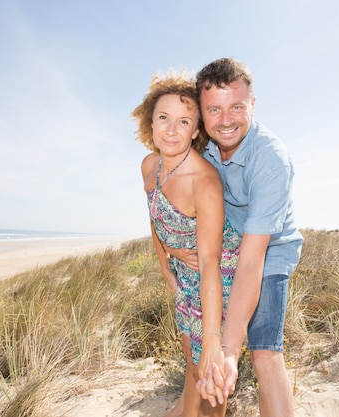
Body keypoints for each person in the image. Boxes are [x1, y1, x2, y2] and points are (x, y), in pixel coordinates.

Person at [165, 58, 303, 416]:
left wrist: (228, 349)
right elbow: (161, 194)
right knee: (197, 350)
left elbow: (253, 258)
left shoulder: (271, 160)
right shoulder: (201, 147)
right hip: (221, 251)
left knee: (264, 352)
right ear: (201, 113)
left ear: (252, 105)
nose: (225, 121)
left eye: (237, 107)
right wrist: (170, 247)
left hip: (267, 253)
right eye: (214, 110)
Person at [131, 68, 240, 417]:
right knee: (192, 363)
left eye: (183, 121)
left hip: (218, 277)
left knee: (210, 373)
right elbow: (154, 215)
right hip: (183, 271)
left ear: (196, 131)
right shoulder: (149, 165)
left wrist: (212, 339)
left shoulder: (204, 184)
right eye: (163, 118)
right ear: (151, 123)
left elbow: (210, 263)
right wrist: (166, 259)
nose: (171, 129)